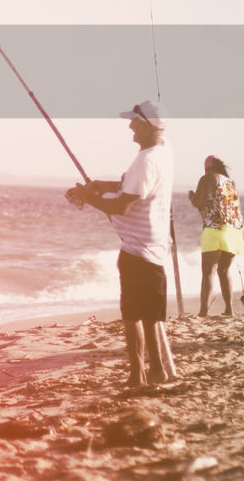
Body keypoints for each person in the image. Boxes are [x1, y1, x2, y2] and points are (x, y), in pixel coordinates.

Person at [65, 99, 177, 389]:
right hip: (154, 248)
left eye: (134, 122)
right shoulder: (162, 154)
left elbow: (123, 207)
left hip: (137, 249)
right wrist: (103, 186)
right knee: (151, 316)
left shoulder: (146, 160)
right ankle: (157, 372)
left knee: (132, 316)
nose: (130, 126)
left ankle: (137, 376)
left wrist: (87, 198)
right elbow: (132, 186)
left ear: (148, 125)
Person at [188, 155, 244, 317]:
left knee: (209, 272)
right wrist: (243, 231)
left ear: (207, 168)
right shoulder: (231, 182)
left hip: (215, 229)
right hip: (235, 231)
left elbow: (197, 203)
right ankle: (229, 309)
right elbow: (235, 208)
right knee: (224, 270)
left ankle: (203, 312)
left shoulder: (207, 178)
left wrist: (192, 197)